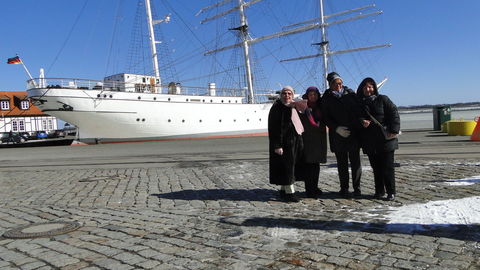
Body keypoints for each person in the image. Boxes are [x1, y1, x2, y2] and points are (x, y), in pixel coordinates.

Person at [357, 77, 400, 201]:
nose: (368, 89)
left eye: (370, 87)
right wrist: (361, 121)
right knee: (376, 168)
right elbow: (356, 117)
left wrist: (394, 130)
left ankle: (391, 191)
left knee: (387, 167)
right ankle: (379, 190)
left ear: (374, 88)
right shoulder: (360, 103)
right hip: (370, 141)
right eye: (365, 87)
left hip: (386, 138)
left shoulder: (383, 99)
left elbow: (394, 113)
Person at [321, 72, 363, 198]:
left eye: (340, 83)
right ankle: (344, 188)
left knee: (355, 162)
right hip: (338, 135)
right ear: (330, 85)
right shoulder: (326, 98)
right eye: (335, 83)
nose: (338, 86)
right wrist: (336, 128)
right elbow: (325, 117)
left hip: (353, 133)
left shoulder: (350, 94)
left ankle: (357, 188)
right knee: (342, 164)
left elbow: (359, 110)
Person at [268, 85, 304, 202]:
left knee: (287, 167)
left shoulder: (293, 107)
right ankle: (290, 193)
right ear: (281, 95)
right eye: (284, 93)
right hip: (283, 143)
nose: (287, 96)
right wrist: (277, 145)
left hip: (293, 142)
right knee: (287, 168)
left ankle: (283, 190)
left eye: (289, 93)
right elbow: (273, 128)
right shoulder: (277, 108)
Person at [294, 86, 327, 198]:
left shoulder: (321, 106)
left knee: (316, 165)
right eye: (311, 94)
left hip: (319, 139)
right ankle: (309, 189)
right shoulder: (302, 107)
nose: (313, 96)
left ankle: (315, 187)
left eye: (315, 94)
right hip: (307, 139)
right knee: (308, 165)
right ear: (307, 95)